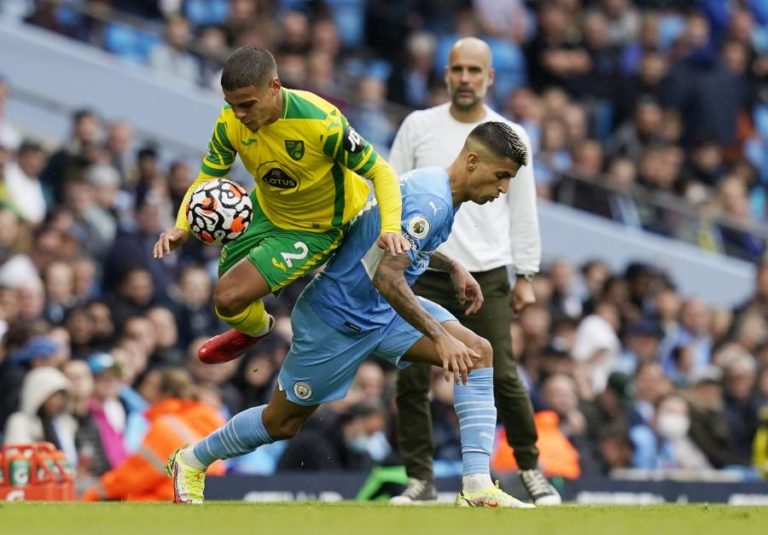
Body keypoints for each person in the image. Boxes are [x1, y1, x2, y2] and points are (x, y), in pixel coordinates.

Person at [168, 121, 535, 508]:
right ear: (474, 161)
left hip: (384, 312)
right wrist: (441, 338)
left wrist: (453, 266)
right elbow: (388, 278)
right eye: (502, 176)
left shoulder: (434, 190)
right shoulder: (432, 199)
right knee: (281, 423)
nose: (503, 189)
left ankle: (477, 486)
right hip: (337, 318)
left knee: (477, 353)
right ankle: (192, 459)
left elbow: (392, 243)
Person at [153, 47, 408, 364]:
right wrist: (182, 226)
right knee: (228, 303)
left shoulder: (320, 122)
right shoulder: (231, 119)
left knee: (228, 295)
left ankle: (259, 331)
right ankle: (256, 329)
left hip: (316, 227)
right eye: (233, 106)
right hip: (265, 207)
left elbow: (380, 170)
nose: (240, 115)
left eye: (247, 105)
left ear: (274, 87)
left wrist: (391, 227)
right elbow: (207, 176)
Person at [388, 37, 560, 505]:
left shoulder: (509, 135)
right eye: (457, 69)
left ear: (490, 77)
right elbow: (390, 189)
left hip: (485, 270)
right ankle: (420, 479)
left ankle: (529, 468)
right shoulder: (418, 125)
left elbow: (524, 209)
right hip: (422, 267)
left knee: (502, 372)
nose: (465, 78)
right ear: (445, 73)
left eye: (473, 70)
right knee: (411, 378)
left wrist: (526, 274)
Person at [82, 368, 225, 502]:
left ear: (165, 392)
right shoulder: (203, 415)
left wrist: (97, 491)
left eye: (152, 385)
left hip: (172, 496)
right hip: (209, 492)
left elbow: (137, 474)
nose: (145, 389)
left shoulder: (166, 425)